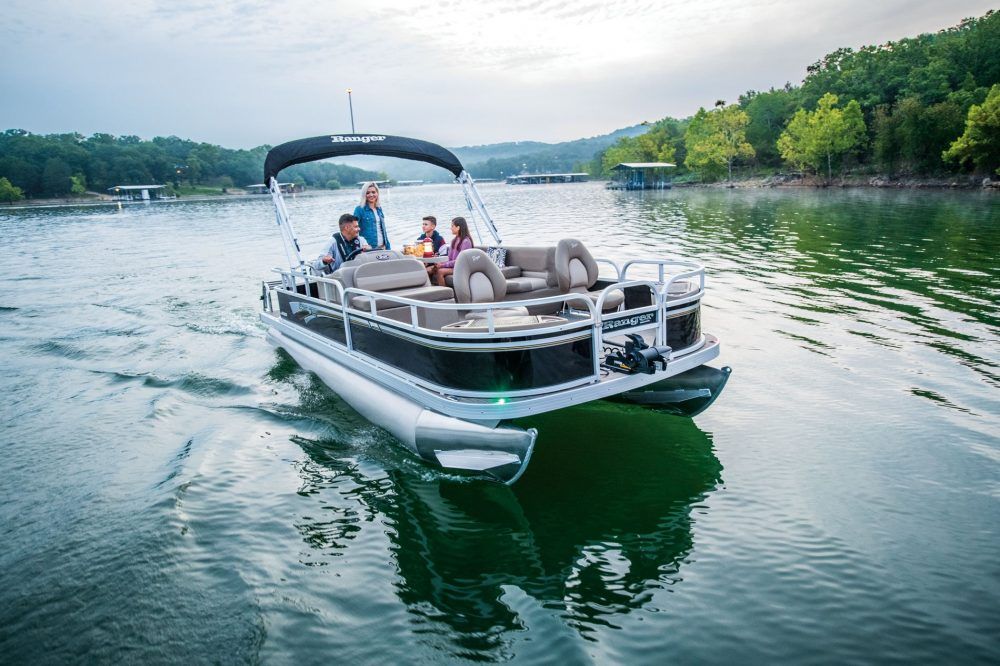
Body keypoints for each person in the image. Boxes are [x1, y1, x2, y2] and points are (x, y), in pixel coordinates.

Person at [428, 217, 474, 287]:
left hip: (461, 267)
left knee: (439, 272)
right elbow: (449, 258)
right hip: (453, 266)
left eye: (452, 226)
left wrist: (442, 265)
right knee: (429, 270)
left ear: (458, 227)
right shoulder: (454, 240)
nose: (451, 228)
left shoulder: (466, 242)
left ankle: (445, 294)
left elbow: (460, 261)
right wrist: (439, 263)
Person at [353, 181, 390, 250]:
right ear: (364, 194)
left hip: (383, 248)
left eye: (373, 192)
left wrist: (388, 247)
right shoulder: (359, 209)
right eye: (368, 193)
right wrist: (360, 246)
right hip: (368, 250)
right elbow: (353, 230)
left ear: (377, 193)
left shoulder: (379, 209)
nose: (371, 195)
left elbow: (383, 230)